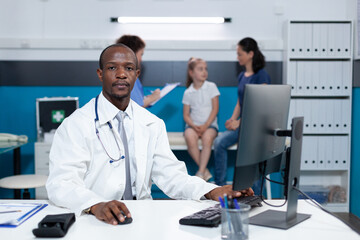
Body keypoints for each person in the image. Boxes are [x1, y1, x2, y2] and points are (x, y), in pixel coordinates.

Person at [46, 43, 253, 225]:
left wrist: (211, 191)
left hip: (142, 219)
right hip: (96, 220)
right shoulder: (76, 124)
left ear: (136, 74)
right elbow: (61, 183)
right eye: (112, 68)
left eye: (128, 68)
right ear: (100, 74)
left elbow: (172, 176)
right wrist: (95, 204)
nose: (121, 74)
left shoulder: (152, 123)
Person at [213, 37, 271, 186]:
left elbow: (261, 105)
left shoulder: (261, 75)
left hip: (255, 127)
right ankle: (221, 186)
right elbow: (240, 101)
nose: (237, 57)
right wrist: (233, 119)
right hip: (242, 127)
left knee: (251, 154)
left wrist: (239, 123)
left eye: (240, 54)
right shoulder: (241, 76)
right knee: (219, 142)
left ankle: (257, 195)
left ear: (250, 54)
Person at [182, 57, 219, 181]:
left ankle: (200, 172)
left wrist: (206, 125)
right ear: (191, 73)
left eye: (205, 69)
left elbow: (215, 109)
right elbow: (186, 115)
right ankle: (205, 171)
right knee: (189, 137)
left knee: (207, 138)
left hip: (210, 125)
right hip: (193, 126)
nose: (204, 72)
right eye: (200, 69)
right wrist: (193, 126)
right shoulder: (188, 92)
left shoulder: (211, 86)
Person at [115, 35, 160, 108]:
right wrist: (153, 97)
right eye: (141, 54)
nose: (141, 59)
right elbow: (136, 107)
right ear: (132, 54)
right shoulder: (128, 77)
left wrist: (146, 99)